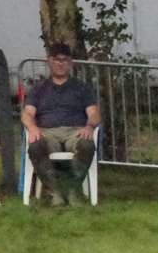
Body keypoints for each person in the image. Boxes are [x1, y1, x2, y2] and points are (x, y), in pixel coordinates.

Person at [22, 42, 101, 205]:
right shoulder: (39, 89)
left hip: (75, 131)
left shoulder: (81, 88)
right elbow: (27, 113)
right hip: (47, 131)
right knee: (36, 146)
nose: (60, 63)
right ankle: (55, 191)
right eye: (56, 60)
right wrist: (32, 127)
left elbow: (94, 113)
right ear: (49, 61)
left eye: (64, 60)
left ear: (70, 63)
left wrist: (89, 126)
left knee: (87, 145)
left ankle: (72, 189)